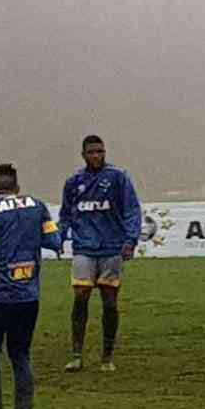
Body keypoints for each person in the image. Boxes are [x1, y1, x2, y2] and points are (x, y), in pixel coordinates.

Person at [0, 164, 62, 409]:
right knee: (20, 355)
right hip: (28, 296)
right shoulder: (37, 206)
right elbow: (54, 241)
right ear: (17, 187)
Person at [59, 135, 142, 372]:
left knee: (109, 301)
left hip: (111, 248)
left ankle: (107, 357)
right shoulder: (74, 181)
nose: (96, 156)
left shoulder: (118, 177)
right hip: (84, 247)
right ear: (83, 155)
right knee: (81, 295)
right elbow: (66, 214)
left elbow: (131, 209)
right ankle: (76, 355)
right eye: (92, 152)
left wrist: (130, 240)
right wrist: (60, 237)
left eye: (100, 151)